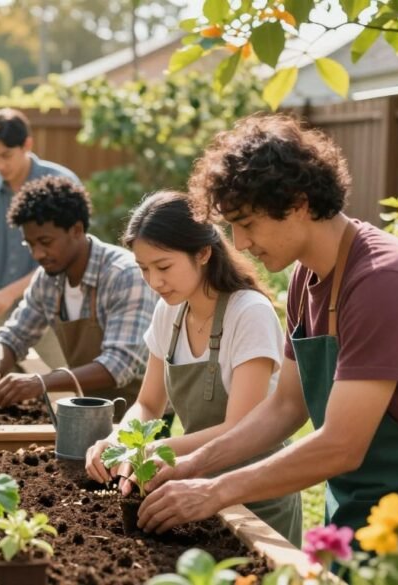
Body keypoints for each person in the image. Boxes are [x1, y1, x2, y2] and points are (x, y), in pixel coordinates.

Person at [136, 114, 398, 538]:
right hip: (355, 506)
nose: (240, 244)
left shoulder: (383, 282)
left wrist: (214, 491)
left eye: (248, 224)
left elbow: (343, 444)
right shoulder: (306, 279)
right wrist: (191, 464)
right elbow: (286, 406)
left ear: (299, 203)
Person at [85, 190, 301, 545]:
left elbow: (238, 429)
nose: (154, 282)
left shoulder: (249, 314)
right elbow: (149, 404)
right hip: (197, 491)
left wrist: (157, 450)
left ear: (203, 253)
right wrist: (116, 439)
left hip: (257, 500)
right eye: (144, 269)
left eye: (164, 266)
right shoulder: (169, 310)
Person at [0, 175, 155, 412]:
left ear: (76, 230)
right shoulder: (48, 280)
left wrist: (40, 382)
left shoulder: (124, 275)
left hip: (144, 411)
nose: (37, 254)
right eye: (30, 244)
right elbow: (14, 336)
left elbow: (120, 365)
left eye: (45, 242)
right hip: (91, 407)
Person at [0, 108, 79, 368]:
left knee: (65, 386)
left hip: (56, 309)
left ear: (27, 145)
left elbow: (69, 257)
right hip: (3, 311)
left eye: (6, 156)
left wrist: (10, 292)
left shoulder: (60, 184)